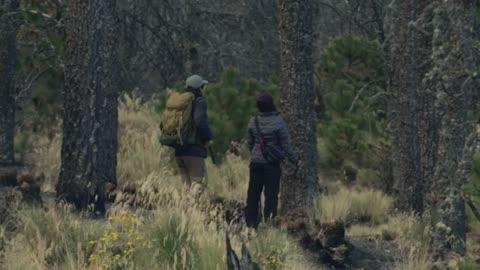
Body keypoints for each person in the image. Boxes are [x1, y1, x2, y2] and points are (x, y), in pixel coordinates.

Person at [245, 92, 298, 229]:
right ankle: (269, 224)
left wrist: (255, 154)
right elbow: (286, 145)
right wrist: (294, 160)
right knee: (271, 194)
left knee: (253, 193)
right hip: (272, 164)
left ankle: (250, 224)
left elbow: (250, 143)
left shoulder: (253, 121)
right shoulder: (278, 122)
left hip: (255, 163)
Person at [175, 75, 212, 194]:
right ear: (199, 88)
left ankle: (184, 211)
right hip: (194, 150)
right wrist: (208, 137)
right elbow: (200, 122)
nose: (203, 89)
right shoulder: (199, 101)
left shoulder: (179, 102)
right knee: (198, 184)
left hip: (179, 149)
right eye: (202, 87)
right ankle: (196, 210)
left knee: (186, 187)